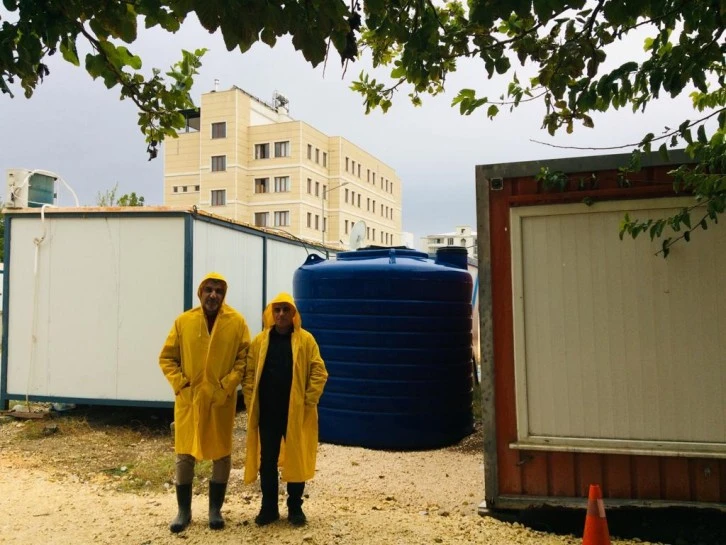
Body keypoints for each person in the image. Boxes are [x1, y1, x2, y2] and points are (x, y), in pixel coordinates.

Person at [159, 272, 251, 533]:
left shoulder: (237, 322)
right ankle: (183, 511)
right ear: (200, 293)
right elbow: (167, 358)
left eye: (219, 291)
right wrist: (182, 385)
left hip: (220, 400)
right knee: (184, 453)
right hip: (189, 400)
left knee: (221, 453)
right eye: (209, 289)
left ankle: (215, 511)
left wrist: (227, 386)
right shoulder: (184, 322)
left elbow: (244, 359)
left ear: (224, 295)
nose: (213, 295)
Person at [243, 292, 328, 527]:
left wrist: (308, 401)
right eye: (277, 310)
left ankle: (295, 508)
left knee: (296, 458)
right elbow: (249, 375)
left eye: (285, 310)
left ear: (293, 314)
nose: (281, 314)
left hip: (296, 414)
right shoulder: (260, 342)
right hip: (268, 414)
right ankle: (269, 508)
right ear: (271, 313)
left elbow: (319, 372)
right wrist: (251, 402)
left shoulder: (306, 341)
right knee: (267, 461)